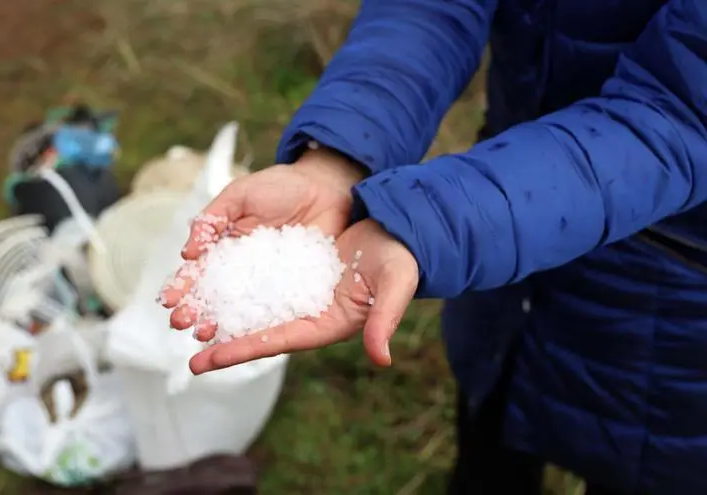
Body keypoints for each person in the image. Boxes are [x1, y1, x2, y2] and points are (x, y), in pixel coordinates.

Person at [162, 0, 707, 493]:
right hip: (500, 255)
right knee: (488, 447)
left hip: (669, 308)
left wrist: (428, 221)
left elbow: (682, 113)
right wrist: (337, 156)